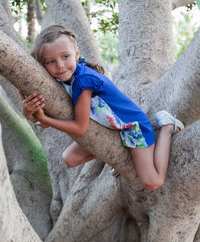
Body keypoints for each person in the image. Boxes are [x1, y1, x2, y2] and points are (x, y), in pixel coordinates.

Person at [20, 25, 184, 191]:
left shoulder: (83, 81)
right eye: (51, 61)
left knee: (152, 182)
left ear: (76, 53)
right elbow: (50, 121)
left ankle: (167, 126)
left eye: (65, 56)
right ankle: (121, 156)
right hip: (111, 128)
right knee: (69, 159)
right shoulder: (61, 81)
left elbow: (79, 127)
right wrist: (29, 112)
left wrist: (43, 118)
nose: (60, 65)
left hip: (133, 126)